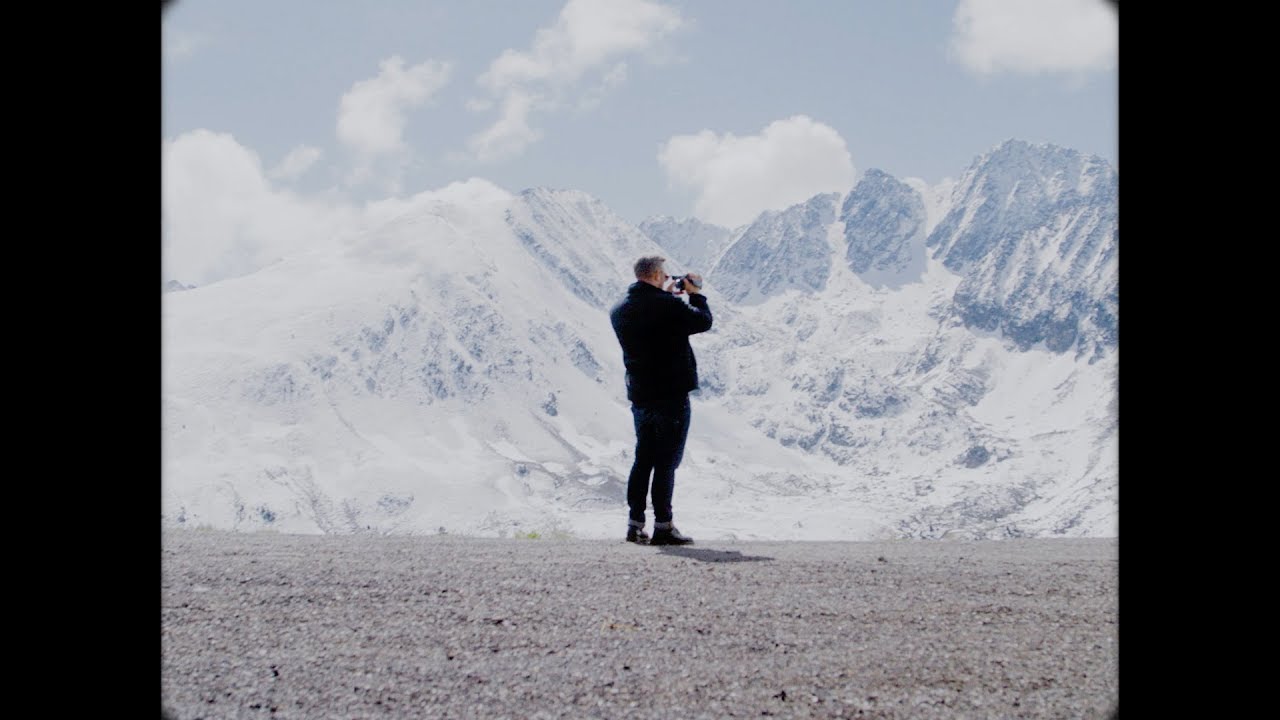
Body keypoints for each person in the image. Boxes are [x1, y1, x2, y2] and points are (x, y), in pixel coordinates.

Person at [608, 256, 712, 546]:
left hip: (641, 394)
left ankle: (635, 523)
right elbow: (702, 321)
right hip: (671, 394)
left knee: (643, 459)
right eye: (664, 274)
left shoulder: (619, 309)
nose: (668, 277)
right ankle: (664, 525)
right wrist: (695, 294)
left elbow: (652, 320)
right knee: (666, 461)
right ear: (655, 274)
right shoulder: (668, 306)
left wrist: (666, 297)